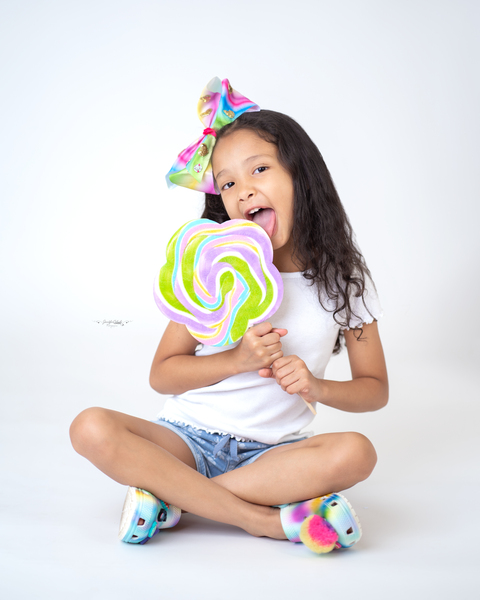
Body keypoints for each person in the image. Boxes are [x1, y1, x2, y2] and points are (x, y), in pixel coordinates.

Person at [70, 78, 388, 554]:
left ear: (302, 176)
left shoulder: (344, 281)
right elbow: (162, 375)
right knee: (90, 426)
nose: (244, 191)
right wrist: (237, 360)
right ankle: (263, 520)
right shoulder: (214, 267)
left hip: (273, 456)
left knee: (357, 452)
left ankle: (173, 497)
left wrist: (316, 388)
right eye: (228, 183)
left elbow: (374, 388)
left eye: (259, 169)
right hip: (186, 440)